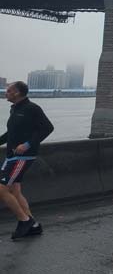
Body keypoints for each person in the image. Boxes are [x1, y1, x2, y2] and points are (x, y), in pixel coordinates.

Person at [0, 81, 54, 239]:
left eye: (9, 90)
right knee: (15, 191)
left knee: (2, 189)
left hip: (23, 156)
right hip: (12, 156)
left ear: (17, 93)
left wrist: (28, 144)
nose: (6, 92)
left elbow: (48, 128)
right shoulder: (15, 109)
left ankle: (24, 221)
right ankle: (34, 225)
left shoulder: (32, 108)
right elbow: (10, 134)